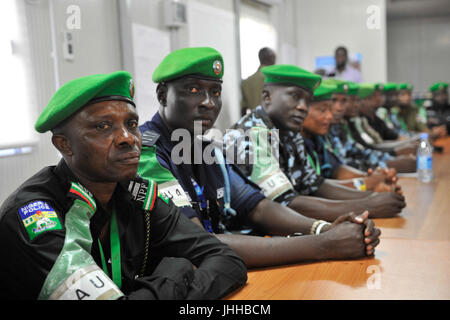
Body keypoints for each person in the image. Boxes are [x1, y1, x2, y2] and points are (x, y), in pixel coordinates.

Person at [0, 71, 247, 300]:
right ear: (64, 144)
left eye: (131, 124)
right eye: (103, 127)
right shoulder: (35, 215)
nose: (128, 138)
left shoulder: (135, 192)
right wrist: (175, 274)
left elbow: (227, 260)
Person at [138, 47, 381, 268]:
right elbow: (197, 242)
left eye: (215, 91)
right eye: (193, 90)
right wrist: (324, 244)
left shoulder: (204, 147)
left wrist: (324, 228)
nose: (208, 103)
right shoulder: (145, 154)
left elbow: (257, 207)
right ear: (162, 96)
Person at [226, 64, 406, 222]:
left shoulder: (288, 131)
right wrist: (368, 205)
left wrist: (373, 196)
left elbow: (314, 184)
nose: (303, 106)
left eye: (307, 100)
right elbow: (285, 203)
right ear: (267, 97)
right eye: (295, 96)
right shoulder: (251, 133)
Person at [301, 82, 401, 194]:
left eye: (343, 101)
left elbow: (337, 169)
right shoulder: (289, 143)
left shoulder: (318, 138)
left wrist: (371, 178)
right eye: (323, 110)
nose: (331, 114)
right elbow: (314, 192)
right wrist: (366, 185)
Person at [325, 80, 417, 174]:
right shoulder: (331, 128)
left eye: (344, 101)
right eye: (370, 98)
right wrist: (386, 164)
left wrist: (393, 156)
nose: (378, 100)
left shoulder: (345, 124)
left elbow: (360, 151)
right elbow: (339, 168)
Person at [241, 47, 276, 116]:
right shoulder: (274, 79)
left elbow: (243, 109)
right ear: (271, 59)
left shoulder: (246, 82)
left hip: (255, 122)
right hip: (272, 122)